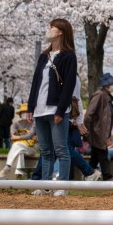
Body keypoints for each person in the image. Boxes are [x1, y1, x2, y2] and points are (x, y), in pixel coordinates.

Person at [26, 18, 78, 195]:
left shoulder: (69, 56)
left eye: (51, 28)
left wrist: (61, 110)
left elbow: (69, 85)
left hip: (56, 109)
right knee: (46, 150)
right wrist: (30, 107)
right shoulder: (43, 56)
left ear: (60, 32)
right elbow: (35, 83)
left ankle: (62, 186)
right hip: (40, 109)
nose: (48, 30)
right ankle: (45, 185)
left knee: (61, 149)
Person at [84, 73, 113, 180]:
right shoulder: (99, 95)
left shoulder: (107, 97)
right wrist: (86, 130)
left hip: (100, 131)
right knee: (103, 153)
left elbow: (108, 114)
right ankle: (108, 176)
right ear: (107, 85)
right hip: (97, 131)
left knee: (95, 155)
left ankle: (88, 174)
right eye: (112, 84)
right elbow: (89, 113)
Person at [0, 104, 38, 178]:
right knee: (19, 150)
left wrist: (18, 137)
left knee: (16, 145)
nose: (25, 113)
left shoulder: (34, 123)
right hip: (20, 146)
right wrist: (21, 138)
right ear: (20, 114)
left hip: (32, 147)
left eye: (26, 112)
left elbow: (30, 136)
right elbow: (12, 138)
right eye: (23, 112)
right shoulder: (16, 124)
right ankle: (19, 174)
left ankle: (7, 168)